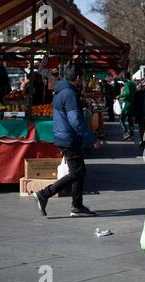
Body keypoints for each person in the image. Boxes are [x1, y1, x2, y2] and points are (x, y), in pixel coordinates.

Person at [33, 65, 99, 217]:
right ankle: (44, 194)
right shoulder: (69, 94)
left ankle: (77, 205)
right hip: (69, 137)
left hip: (64, 136)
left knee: (78, 171)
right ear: (77, 78)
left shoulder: (60, 91)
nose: (82, 81)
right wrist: (91, 138)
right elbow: (75, 120)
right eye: (82, 78)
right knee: (77, 172)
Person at [118, 72, 137, 141]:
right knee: (130, 120)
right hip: (133, 104)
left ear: (125, 77)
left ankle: (126, 132)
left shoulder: (126, 84)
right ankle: (131, 135)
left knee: (121, 118)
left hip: (127, 104)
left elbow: (127, 93)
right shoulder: (133, 84)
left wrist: (119, 96)